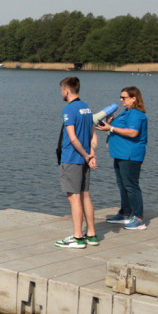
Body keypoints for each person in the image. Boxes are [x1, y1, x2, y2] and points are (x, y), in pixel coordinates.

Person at [55, 76, 99, 249]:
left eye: (61, 91)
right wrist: (91, 153)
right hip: (84, 158)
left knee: (74, 198)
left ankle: (78, 237)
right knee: (85, 195)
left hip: (72, 159)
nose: (61, 94)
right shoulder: (86, 108)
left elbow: (73, 138)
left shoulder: (69, 110)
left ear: (66, 90)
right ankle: (92, 235)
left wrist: (86, 155)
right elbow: (93, 135)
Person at [97, 86, 149, 230]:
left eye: (124, 97)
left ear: (134, 98)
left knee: (131, 185)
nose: (121, 100)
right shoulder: (126, 112)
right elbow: (118, 128)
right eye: (121, 97)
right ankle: (125, 213)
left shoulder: (136, 114)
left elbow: (132, 132)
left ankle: (138, 218)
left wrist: (111, 128)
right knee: (122, 184)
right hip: (120, 154)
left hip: (130, 155)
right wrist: (110, 123)